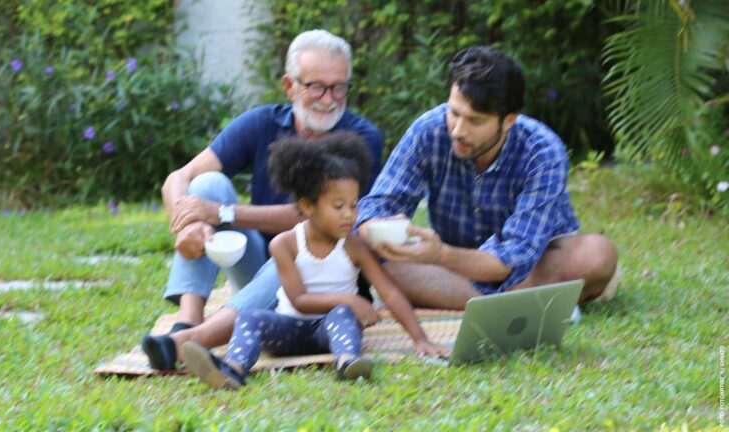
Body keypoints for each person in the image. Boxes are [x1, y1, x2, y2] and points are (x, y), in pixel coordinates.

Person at [141, 30, 384, 370]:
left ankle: (187, 342)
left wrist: (223, 212)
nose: (329, 98)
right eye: (316, 85)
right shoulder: (263, 122)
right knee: (207, 183)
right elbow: (177, 178)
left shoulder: (360, 138)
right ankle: (188, 318)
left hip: (321, 281)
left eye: (339, 86)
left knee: (287, 252)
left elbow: (312, 218)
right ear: (289, 86)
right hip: (259, 272)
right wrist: (188, 223)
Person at [356, 46, 620, 310]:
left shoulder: (543, 151)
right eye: (455, 113)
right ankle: (534, 300)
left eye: (475, 121)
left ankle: (491, 298)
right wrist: (374, 228)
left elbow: (516, 257)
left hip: (532, 263)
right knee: (378, 262)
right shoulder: (429, 130)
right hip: (453, 264)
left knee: (596, 254)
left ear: (508, 120)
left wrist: (441, 255)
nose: (458, 130)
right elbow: (374, 207)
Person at [178, 132, 449, 389]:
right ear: (308, 206)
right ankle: (232, 369)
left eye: (354, 205)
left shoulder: (354, 246)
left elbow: (388, 291)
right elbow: (299, 300)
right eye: (338, 206)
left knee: (343, 315)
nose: (349, 215)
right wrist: (351, 299)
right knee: (248, 317)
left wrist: (420, 338)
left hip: (332, 333)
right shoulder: (285, 244)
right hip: (288, 330)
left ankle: (348, 362)